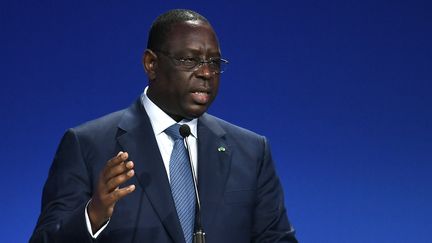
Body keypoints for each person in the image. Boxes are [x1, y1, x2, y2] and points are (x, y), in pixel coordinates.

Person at [30, 9, 298, 243]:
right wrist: (93, 215)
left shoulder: (251, 151)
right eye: (189, 60)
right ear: (151, 64)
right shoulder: (87, 144)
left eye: (214, 62)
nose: (206, 73)